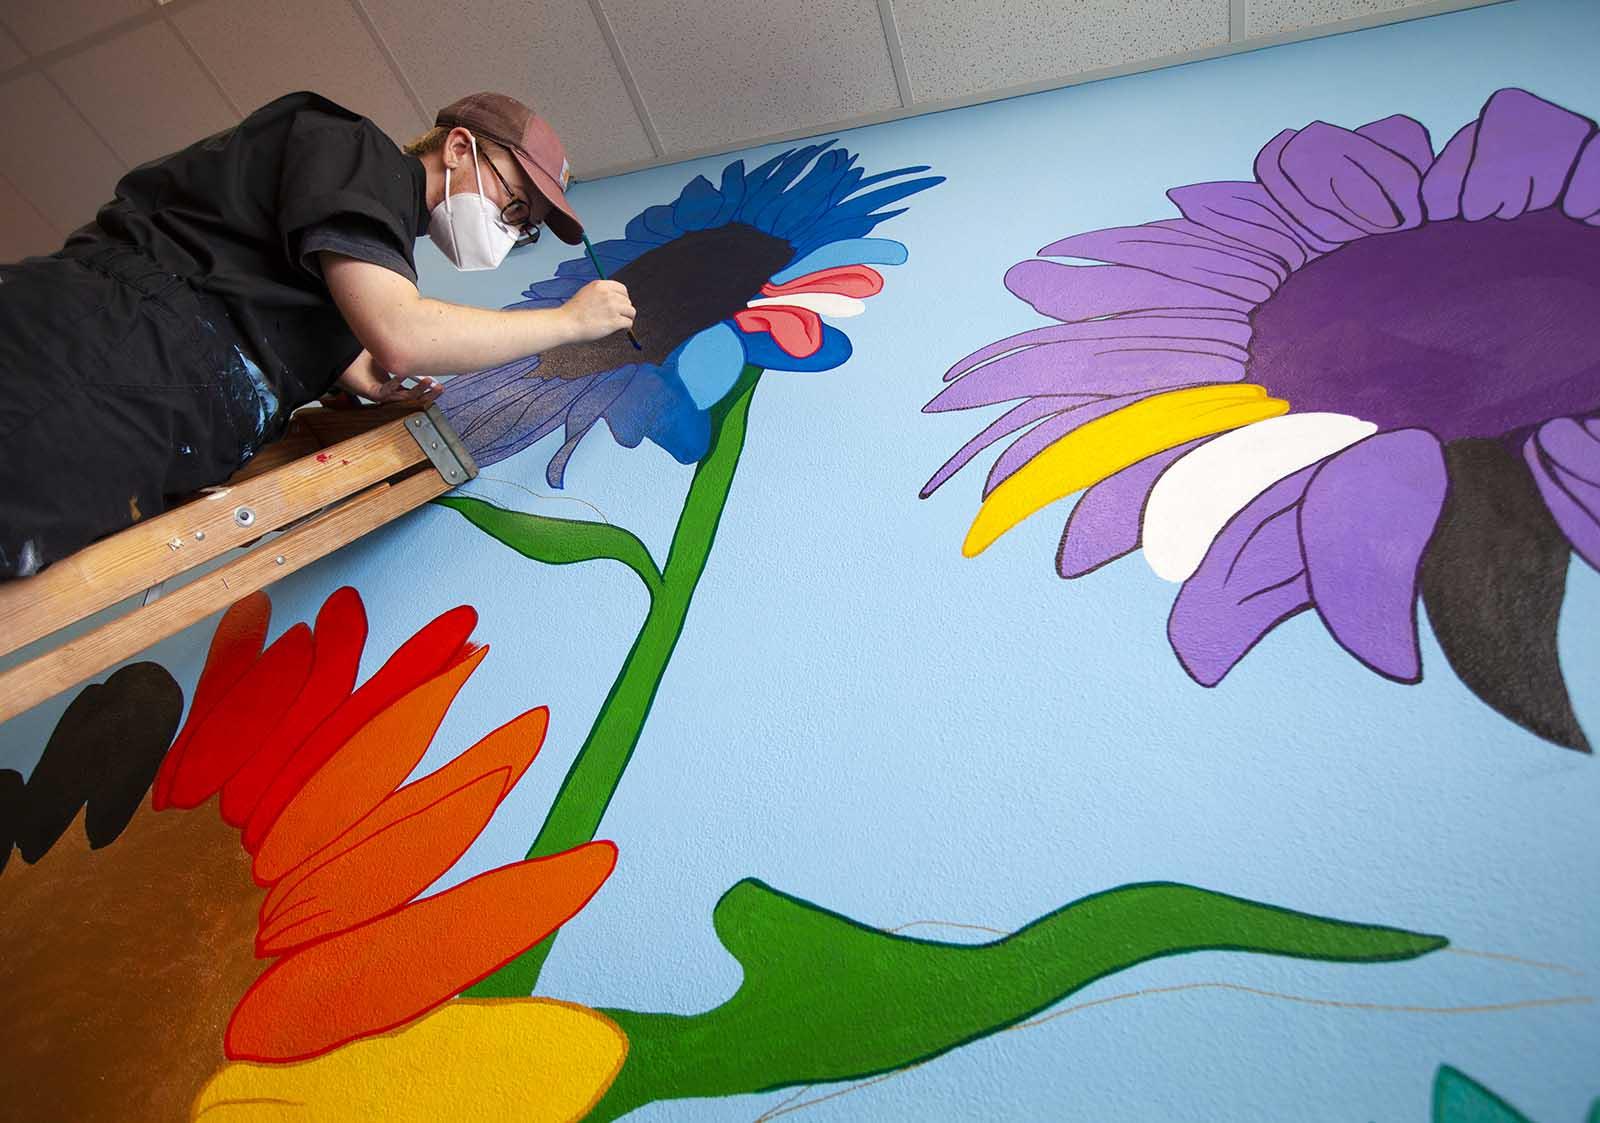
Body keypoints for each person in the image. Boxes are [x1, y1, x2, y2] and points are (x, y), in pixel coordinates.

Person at [0, 90, 634, 578]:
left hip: (134, 411)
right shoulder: (355, 149)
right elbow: (401, 333)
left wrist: (336, 361)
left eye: (521, 225)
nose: (508, 225)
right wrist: (568, 322)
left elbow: (289, 302)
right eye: (515, 203)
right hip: (89, 352)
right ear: (461, 148)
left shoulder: (356, 247)